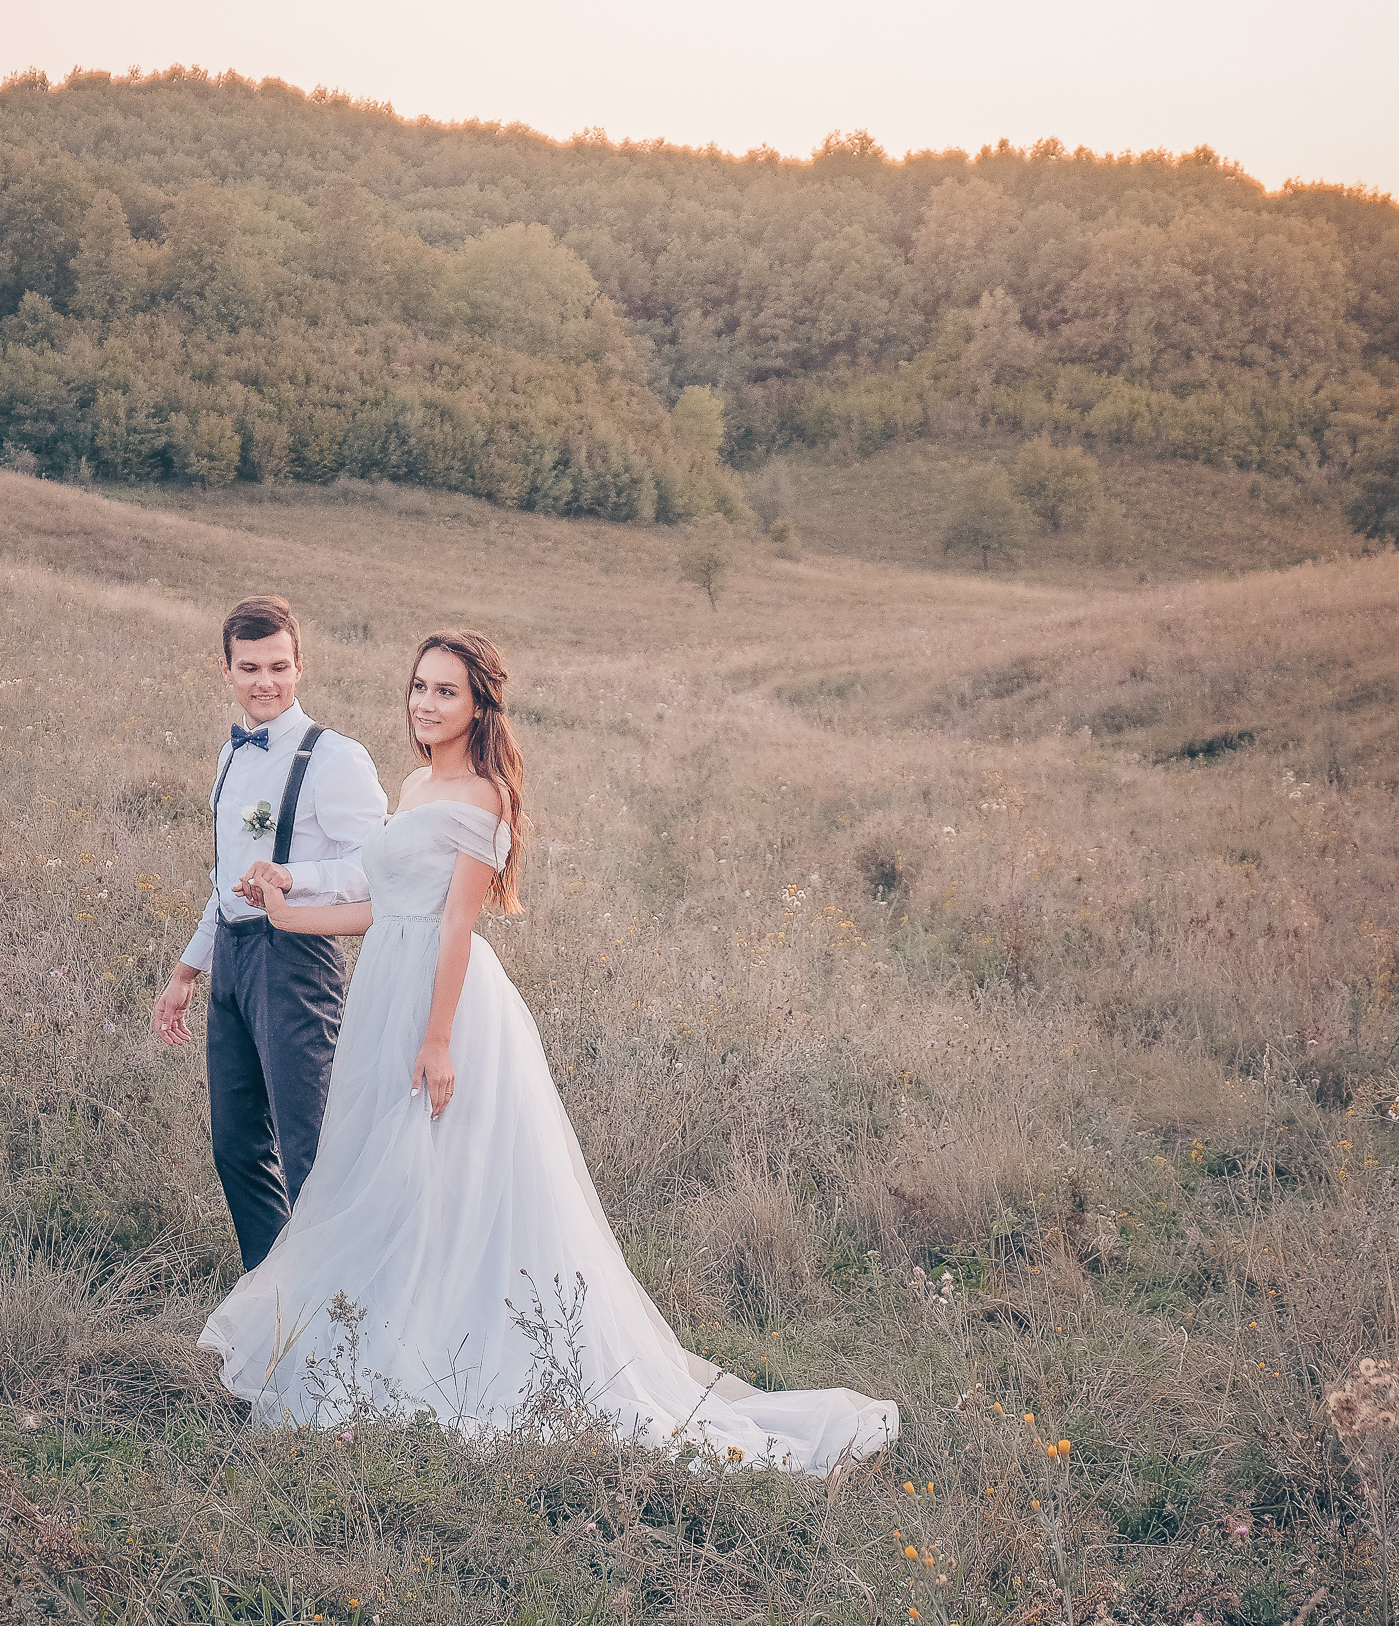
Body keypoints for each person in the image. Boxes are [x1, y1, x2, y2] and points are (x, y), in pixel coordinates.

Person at [199, 630, 898, 1475]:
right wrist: (286, 908)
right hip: (387, 985)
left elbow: (456, 923)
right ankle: (388, 1325)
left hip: (444, 1004)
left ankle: (455, 1345)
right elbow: (384, 907)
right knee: (386, 1173)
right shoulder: (416, 780)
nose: (425, 703)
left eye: (446, 692)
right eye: (419, 687)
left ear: (479, 705)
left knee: (442, 1172)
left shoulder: (484, 794)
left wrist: (436, 1039)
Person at [151, 597, 387, 1271]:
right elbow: (226, 876)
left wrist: (293, 876)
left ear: (299, 667)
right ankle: (274, 1290)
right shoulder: (231, 757)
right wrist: (185, 972)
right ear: (226, 670)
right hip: (231, 954)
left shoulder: (334, 757)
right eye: (250, 667)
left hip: (295, 959)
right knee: (235, 1143)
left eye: (279, 666)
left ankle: (341, 1304)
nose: (266, 681)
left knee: (308, 1146)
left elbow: (377, 867)